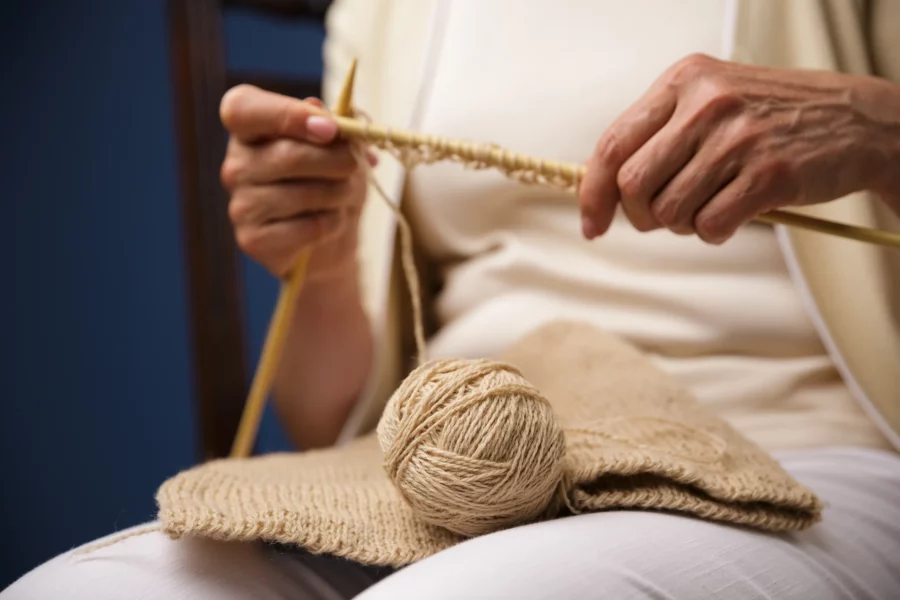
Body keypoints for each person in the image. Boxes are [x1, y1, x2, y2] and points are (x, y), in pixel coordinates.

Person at [5, 1, 900, 598]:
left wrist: (875, 123)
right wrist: (314, 263)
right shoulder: (386, 11)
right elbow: (327, 417)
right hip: (447, 470)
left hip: (800, 461)